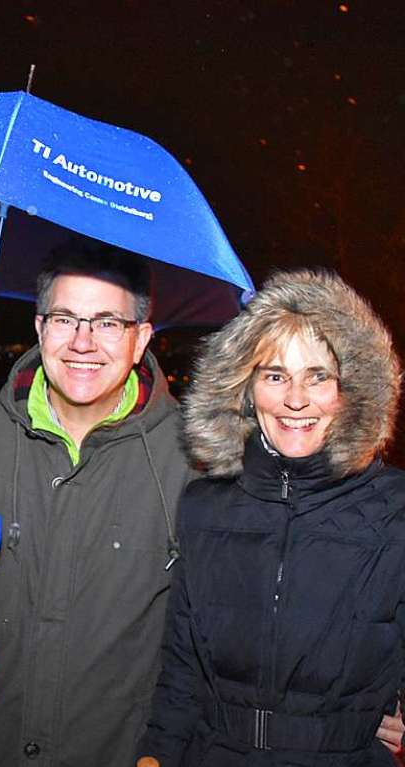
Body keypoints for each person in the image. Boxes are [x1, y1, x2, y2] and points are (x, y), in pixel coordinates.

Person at [0, 246, 195, 767]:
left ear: (141, 338)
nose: (82, 342)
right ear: (39, 327)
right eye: (65, 318)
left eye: (107, 322)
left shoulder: (192, 459)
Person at [136, 269, 405, 766]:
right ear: (244, 387)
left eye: (318, 376)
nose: (295, 399)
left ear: (352, 390)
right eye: (275, 375)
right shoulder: (205, 505)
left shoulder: (394, 511)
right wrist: (155, 756)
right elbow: (181, 669)